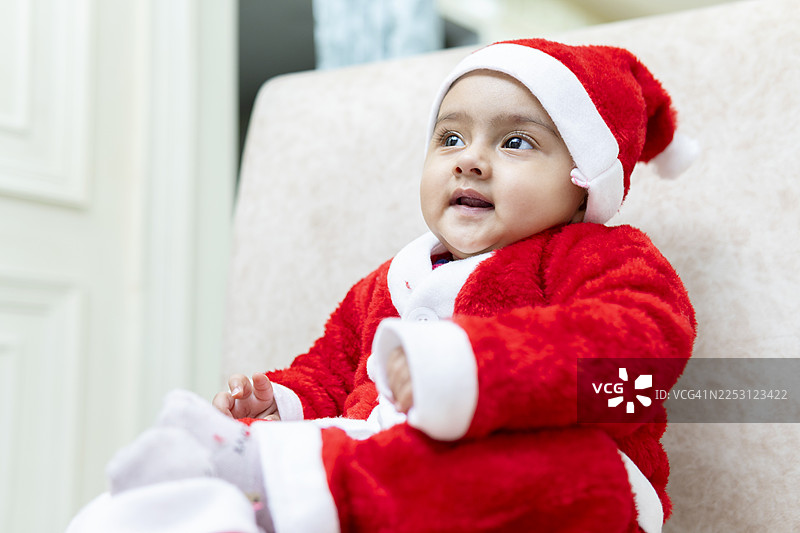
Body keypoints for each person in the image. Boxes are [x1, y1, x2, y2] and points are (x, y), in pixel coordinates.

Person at [68, 38, 697, 533]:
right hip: (385, 468)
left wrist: (469, 369)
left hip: (573, 488)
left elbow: (641, 349)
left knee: (531, 475)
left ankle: (275, 490)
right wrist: (281, 401)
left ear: (584, 176)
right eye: (450, 137)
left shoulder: (598, 255)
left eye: (515, 142)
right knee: (347, 453)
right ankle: (215, 496)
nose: (469, 159)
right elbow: (332, 371)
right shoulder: (390, 281)